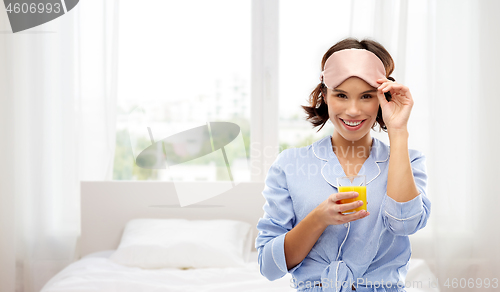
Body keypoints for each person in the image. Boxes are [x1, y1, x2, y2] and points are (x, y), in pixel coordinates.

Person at [255, 38, 431, 292]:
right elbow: (269, 267)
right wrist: (318, 218)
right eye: (341, 95)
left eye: (366, 96)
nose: (353, 110)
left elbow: (406, 224)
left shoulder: (408, 160)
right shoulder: (290, 165)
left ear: (384, 98)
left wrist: (398, 130)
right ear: (324, 95)